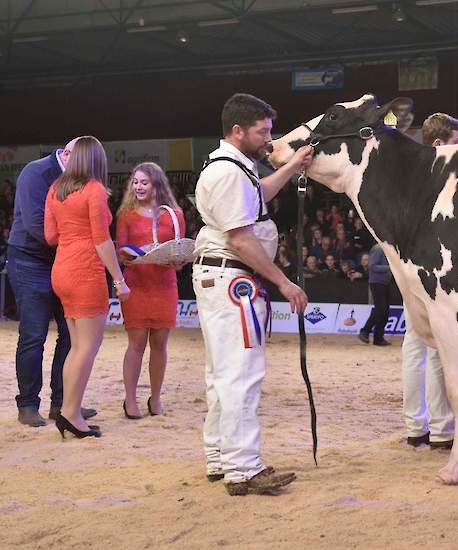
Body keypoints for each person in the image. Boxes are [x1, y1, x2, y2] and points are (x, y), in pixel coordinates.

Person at [192, 92, 312, 496]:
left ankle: (220, 456)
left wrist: (293, 165)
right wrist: (283, 281)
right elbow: (241, 239)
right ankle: (243, 467)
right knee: (241, 373)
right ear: (238, 130)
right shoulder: (227, 173)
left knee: (223, 373)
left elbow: (258, 192)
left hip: (223, 280)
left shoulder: (233, 167)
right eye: (262, 132)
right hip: (233, 281)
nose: (268, 139)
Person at [6, 138, 98, 427]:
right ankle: (28, 404)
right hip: (30, 259)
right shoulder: (35, 173)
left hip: (61, 260)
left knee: (70, 336)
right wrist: (77, 245)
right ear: (67, 154)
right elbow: (35, 224)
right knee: (34, 335)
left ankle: (63, 403)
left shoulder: (76, 176)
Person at [45, 135, 130, 439]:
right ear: (96, 159)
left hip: (61, 269)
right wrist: (119, 280)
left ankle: (70, 409)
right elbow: (102, 240)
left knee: (75, 346)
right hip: (85, 271)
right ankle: (70, 413)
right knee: (87, 348)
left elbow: (51, 236)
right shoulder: (94, 191)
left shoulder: (55, 190)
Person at [401, 113, 458, 448]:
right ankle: (442, 431)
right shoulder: (440, 176)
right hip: (436, 269)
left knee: (414, 347)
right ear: (438, 143)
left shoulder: (408, 176)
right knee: (441, 349)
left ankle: (415, 427)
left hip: (410, 268)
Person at [115, 162, 187, 419]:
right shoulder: (126, 214)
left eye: (144, 182)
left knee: (160, 344)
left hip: (165, 285)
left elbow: (179, 251)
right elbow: (121, 252)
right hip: (137, 284)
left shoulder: (174, 214)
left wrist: (178, 261)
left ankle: (155, 398)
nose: (138, 187)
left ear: (156, 184)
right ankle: (130, 400)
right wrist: (141, 254)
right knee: (136, 344)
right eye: (135, 182)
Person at [358, 242, 392, 346]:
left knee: (385, 311)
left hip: (385, 282)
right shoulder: (378, 249)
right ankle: (365, 331)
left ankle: (378, 338)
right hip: (377, 282)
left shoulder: (386, 249)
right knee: (380, 309)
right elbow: (372, 266)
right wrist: (389, 267)